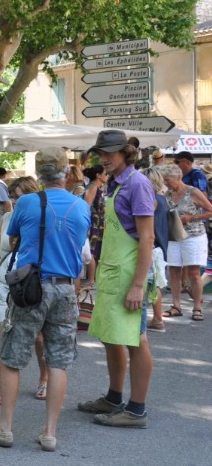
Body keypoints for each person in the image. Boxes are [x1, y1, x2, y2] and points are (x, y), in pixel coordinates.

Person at [0, 147, 90, 452]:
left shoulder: (27, 203)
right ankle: (50, 433)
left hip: (32, 288)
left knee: (11, 357)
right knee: (58, 361)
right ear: (66, 173)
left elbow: (14, 239)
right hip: (66, 289)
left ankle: (5, 428)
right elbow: (79, 244)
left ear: (39, 175)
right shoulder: (81, 207)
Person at [82, 131, 155, 429]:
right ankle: (114, 398)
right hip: (113, 271)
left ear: (126, 153)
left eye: (109, 153)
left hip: (129, 274)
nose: (103, 158)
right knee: (111, 336)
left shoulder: (138, 184)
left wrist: (138, 284)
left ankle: (136, 410)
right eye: (100, 153)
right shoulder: (114, 183)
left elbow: (147, 238)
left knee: (136, 340)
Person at [0, 175, 43, 408]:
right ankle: (2, 388)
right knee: (3, 334)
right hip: (6, 283)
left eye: (20, 197)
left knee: (38, 336)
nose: (16, 202)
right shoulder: (7, 218)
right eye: (13, 197)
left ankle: (45, 378)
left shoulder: (40, 220)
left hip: (29, 284)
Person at [160, 162, 211, 322]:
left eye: (168, 180)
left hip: (194, 236)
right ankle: (176, 306)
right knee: (174, 271)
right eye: (164, 180)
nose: (166, 183)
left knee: (194, 273)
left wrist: (191, 217)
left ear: (179, 177)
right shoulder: (166, 194)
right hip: (174, 236)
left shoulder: (193, 192)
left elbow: (210, 210)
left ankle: (197, 307)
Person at [139, 166, 171, 332]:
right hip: (161, 245)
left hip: (154, 245)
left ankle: (158, 318)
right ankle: (157, 318)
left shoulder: (152, 200)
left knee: (153, 284)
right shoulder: (163, 198)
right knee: (156, 283)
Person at [82, 163, 108, 262]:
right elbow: (86, 207)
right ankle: (92, 277)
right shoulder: (93, 187)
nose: (107, 176)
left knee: (96, 252)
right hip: (93, 224)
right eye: (105, 174)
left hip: (97, 224)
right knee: (93, 252)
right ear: (98, 175)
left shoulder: (95, 187)